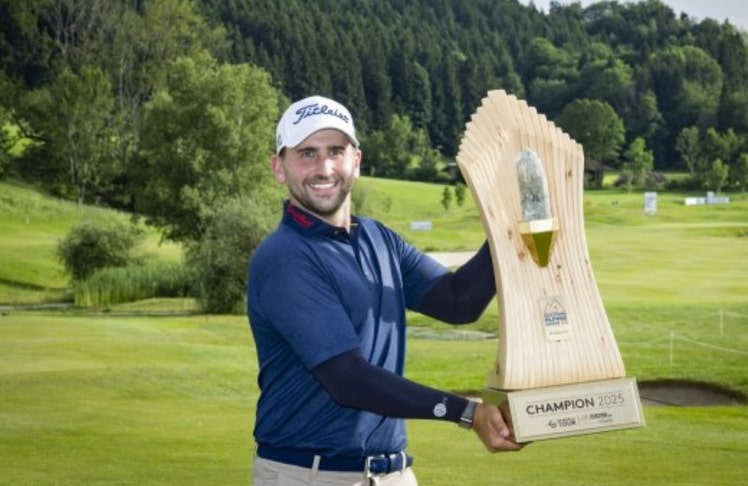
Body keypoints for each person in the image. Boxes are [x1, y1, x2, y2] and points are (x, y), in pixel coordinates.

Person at [247, 95, 520, 486]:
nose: (324, 168)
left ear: (356, 161)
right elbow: (347, 378)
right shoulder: (284, 257)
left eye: (336, 151)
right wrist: (467, 413)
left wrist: (510, 224)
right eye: (307, 153)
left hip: (393, 473)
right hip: (309, 475)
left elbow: (458, 301)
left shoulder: (378, 239)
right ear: (279, 167)